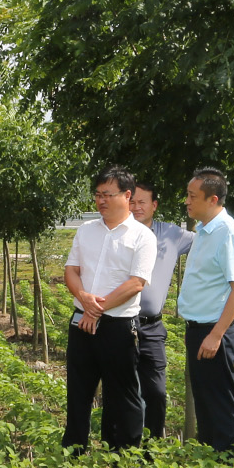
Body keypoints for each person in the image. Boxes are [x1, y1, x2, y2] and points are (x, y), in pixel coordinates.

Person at [63, 167, 159, 453]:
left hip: (118, 324)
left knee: (122, 393)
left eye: (108, 194)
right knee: (79, 390)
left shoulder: (142, 236)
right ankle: (74, 449)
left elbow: (136, 283)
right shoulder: (86, 230)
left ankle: (123, 453)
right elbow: (71, 270)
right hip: (81, 322)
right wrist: (83, 298)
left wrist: (96, 309)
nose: (101, 200)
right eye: (97, 194)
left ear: (127, 196)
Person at [174, 167, 234, 452]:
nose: (187, 201)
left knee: (221, 406)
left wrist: (216, 335)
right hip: (199, 330)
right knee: (206, 406)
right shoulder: (205, 231)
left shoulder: (228, 233)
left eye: (193, 196)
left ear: (213, 199)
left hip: (214, 332)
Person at [128, 181, 195, 441]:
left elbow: (208, 242)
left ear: (154, 206)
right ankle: (124, 447)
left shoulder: (171, 235)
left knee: (155, 391)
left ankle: (152, 446)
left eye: (142, 202)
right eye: (132, 201)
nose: (136, 207)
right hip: (121, 322)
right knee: (125, 389)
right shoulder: (118, 232)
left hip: (152, 326)